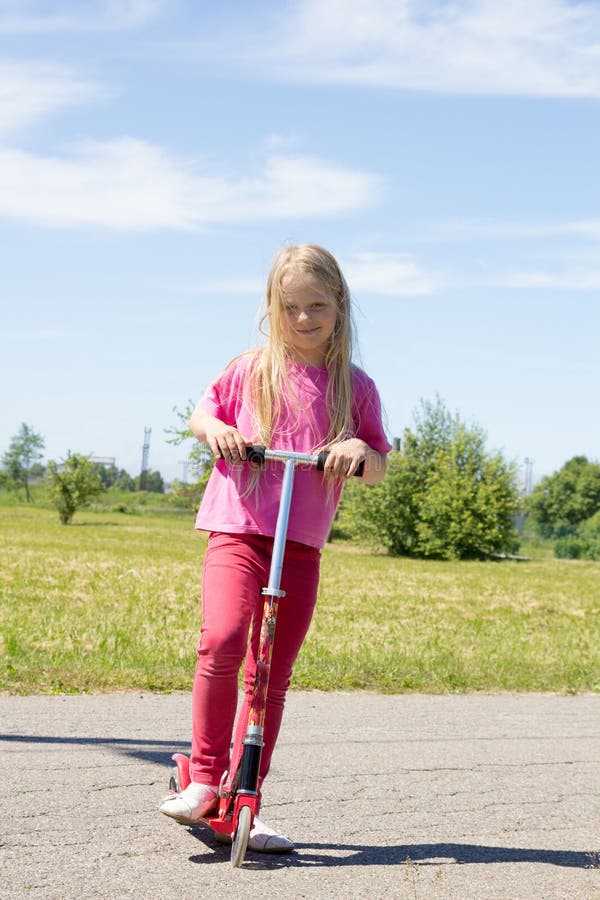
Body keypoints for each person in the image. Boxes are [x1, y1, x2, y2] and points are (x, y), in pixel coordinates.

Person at [159, 244, 391, 852]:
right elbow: (202, 417)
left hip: (301, 544)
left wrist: (358, 453)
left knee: (271, 675)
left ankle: (247, 796)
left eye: (318, 305)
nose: (306, 319)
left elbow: (378, 464)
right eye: (292, 307)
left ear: (339, 307)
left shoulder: (355, 389)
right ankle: (206, 780)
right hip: (238, 528)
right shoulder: (249, 369)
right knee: (225, 641)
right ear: (273, 308)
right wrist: (221, 432)